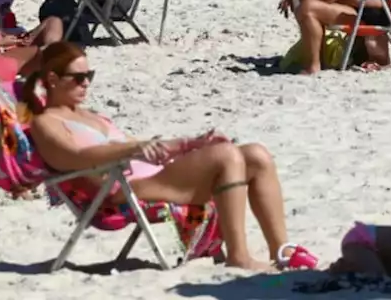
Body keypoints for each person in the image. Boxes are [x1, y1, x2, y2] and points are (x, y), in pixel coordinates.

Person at [27, 42, 308, 272]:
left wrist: (191, 143)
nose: (86, 84)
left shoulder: (90, 116)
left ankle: (281, 251)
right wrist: (131, 150)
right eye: (79, 78)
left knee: (256, 155)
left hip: (151, 175)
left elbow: (142, 147)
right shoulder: (46, 123)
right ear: (52, 79)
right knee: (225, 156)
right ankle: (239, 256)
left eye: (90, 76)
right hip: (119, 192)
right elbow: (77, 157)